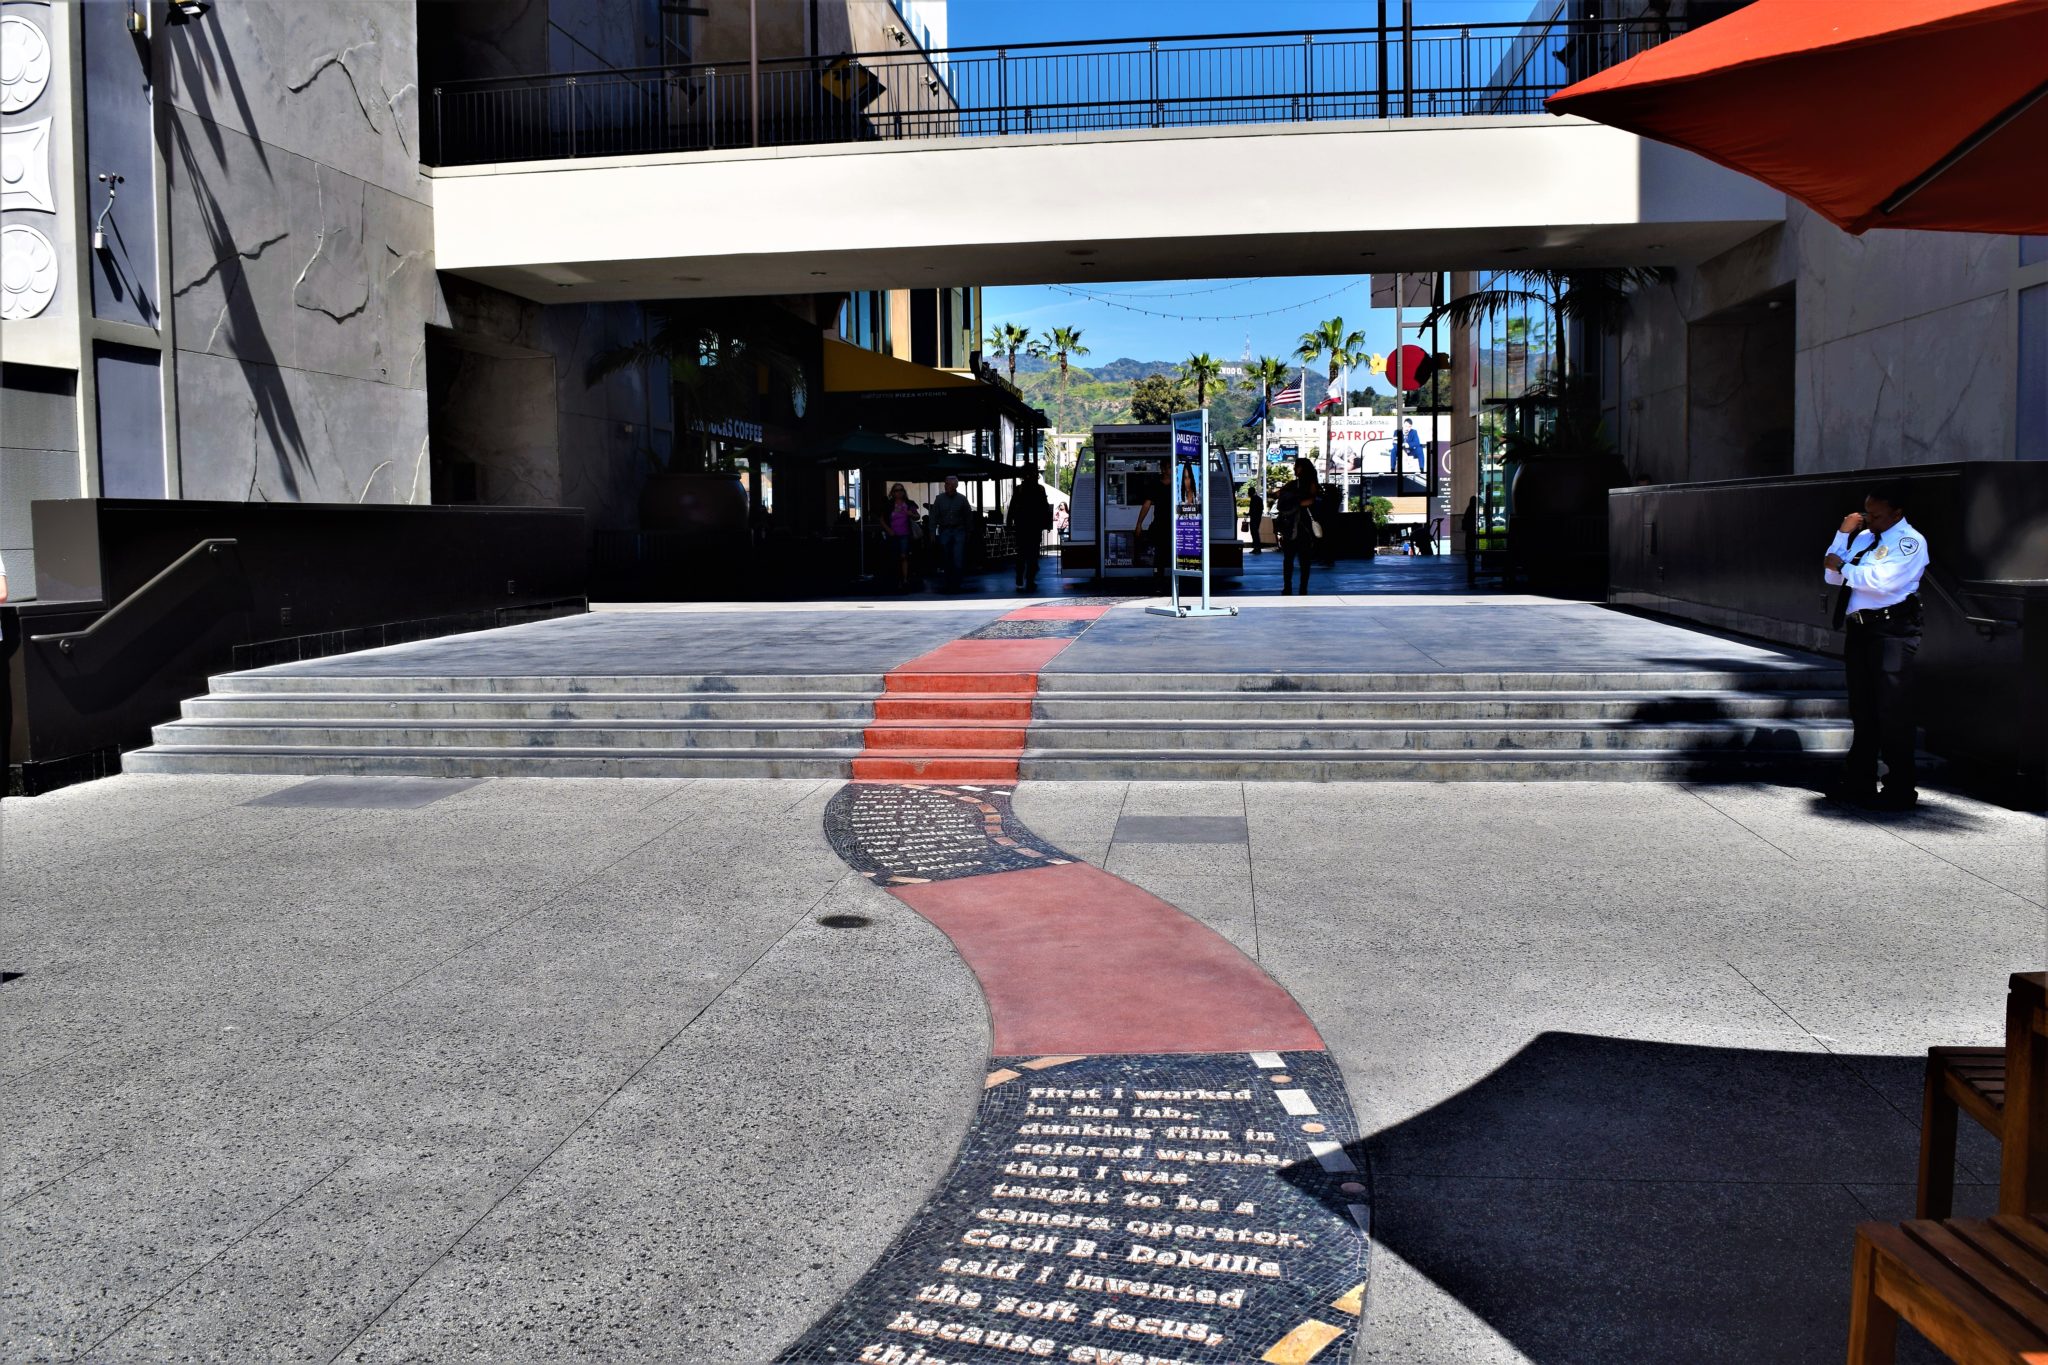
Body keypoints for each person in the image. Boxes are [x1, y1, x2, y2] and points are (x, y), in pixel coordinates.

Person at [1823, 482, 1928, 810]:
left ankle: (1900, 788)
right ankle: (1859, 781)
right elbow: (1832, 575)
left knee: (1893, 712)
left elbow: (1882, 582)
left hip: (1892, 631)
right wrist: (1843, 535)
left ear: (1897, 513)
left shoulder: (1910, 542)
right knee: (1863, 710)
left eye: (1877, 514)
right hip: (1861, 631)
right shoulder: (1865, 537)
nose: (1869, 518)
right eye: (1866, 511)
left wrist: (1844, 567)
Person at [1274, 457, 1322, 596]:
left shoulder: (1295, 484)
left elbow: (1278, 495)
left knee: (1289, 559)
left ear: (1303, 468)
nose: (1294, 469)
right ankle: (1302, 588)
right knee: (1303, 561)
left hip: (1296, 527)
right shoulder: (1307, 484)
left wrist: (1291, 500)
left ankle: (1288, 587)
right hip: (1301, 527)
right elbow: (1311, 500)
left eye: (1297, 466)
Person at [1006, 466, 1053, 591]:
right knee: (1032, 555)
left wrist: (1009, 523)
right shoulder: (1039, 489)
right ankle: (1029, 579)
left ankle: (1021, 577)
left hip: (1022, 526)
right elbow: (1045, 508)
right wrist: (1047, 523)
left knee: (1022, 554)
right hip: (1033, 527)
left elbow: (1012, 508)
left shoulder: (1019, 489)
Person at [929, 474, 974, 593]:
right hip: (945, 530)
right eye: (945, 483)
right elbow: (933, 516)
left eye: (948, 484)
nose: (946, 486)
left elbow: (968, 516)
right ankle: (948, 582)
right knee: (946, 556)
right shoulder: (939, 499)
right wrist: (932, 532)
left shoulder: (962, 499)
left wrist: (969, 532)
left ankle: (957, 583)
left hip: (959, 530)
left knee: (958, 557)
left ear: (955, 486)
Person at [883, 484, 920, 592]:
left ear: (904, 492)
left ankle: (904, 579)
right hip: (893, 535)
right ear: (893, 493)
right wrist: (888, 530)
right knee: (895, 557)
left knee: (904, 556)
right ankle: (897, 579)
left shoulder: (909, 504)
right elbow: (881, 519)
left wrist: (911, 514)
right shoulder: (889, 505)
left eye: (900, 490)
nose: (898, 492)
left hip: (905, 534)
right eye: (896, 490)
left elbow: (917, 516)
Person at [1247, 487, 1265, 554]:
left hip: (1254, 519)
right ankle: (1257, 548)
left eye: (1248, 491)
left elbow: (1253, 509)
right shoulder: (1258, 498)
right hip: (1257, 518)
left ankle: (1257, 548)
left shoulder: (1254, 499)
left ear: (1251, 492)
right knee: (1255, 533)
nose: (1248, 493)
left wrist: (1250, 513)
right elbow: (1261, 508)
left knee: (1254, 533)